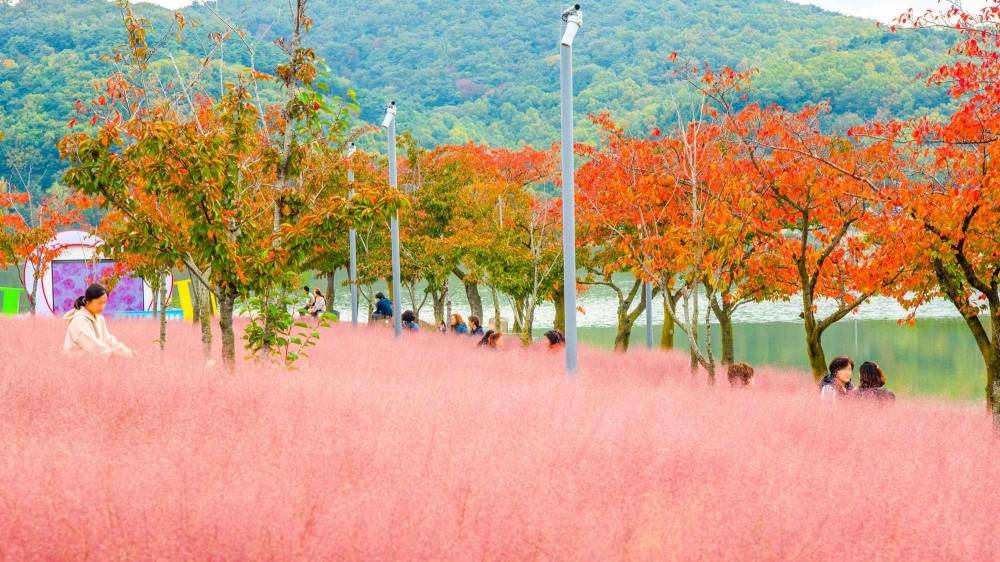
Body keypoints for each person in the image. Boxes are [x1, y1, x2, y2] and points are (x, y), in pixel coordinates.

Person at [62, 284, 135, 357]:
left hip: (95, 363)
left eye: (104, 303)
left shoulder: (100, 319)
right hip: (77, 364)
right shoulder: (78, 321)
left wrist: (127, 352)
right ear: (88, 301)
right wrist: (113, 354)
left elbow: (109, 341)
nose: (102, 307)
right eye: (99, 303)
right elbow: (93, 345)